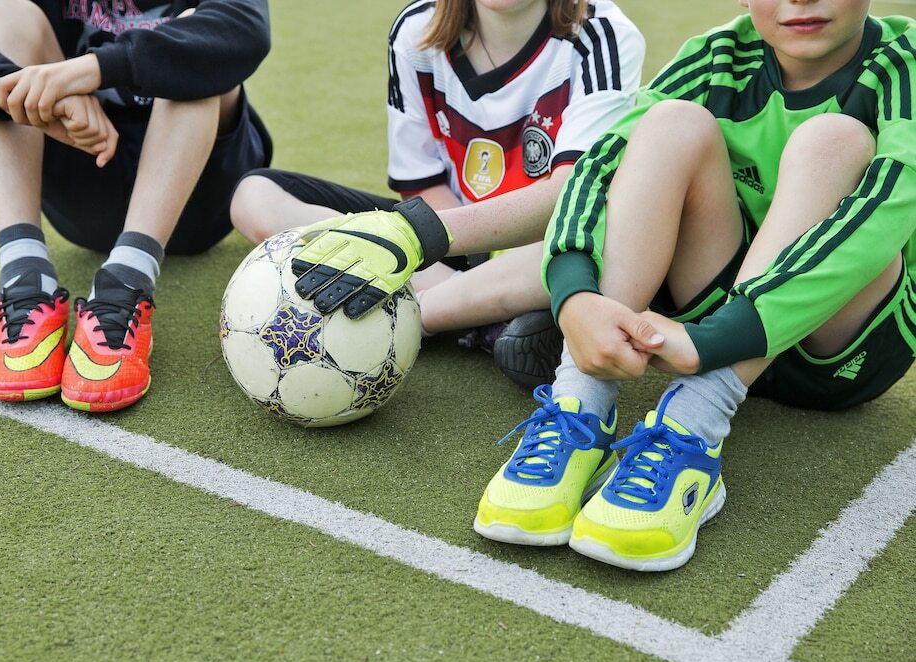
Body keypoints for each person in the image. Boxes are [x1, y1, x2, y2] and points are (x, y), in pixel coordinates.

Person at [290, 0, 916, 571]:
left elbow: (887, 213)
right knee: (669, 123)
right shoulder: (719, 54)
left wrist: (722, 339)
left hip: (835, 348)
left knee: (833, 139)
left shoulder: (903, 63)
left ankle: (694, 429)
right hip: (705, 318)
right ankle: (578, 408)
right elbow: (600, 167)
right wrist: (575, 296)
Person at [230, 0, 644, 388]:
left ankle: (419, 313)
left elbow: (568, 196)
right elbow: (422, 185)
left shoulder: (603, 36)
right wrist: (444, 253)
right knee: (256, 196)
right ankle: (482, 315)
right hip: (452, 239)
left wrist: (416, 245)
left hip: (543, 243)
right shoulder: (417, 29)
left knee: (611, 244)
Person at [0, 0, 272, 412]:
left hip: (198, 198)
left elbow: (246, 29)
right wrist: (24, 90)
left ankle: (128, 281)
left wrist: (88, 70)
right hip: (86, 175)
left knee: (197, 37)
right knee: (1, 10)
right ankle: (25, 276)